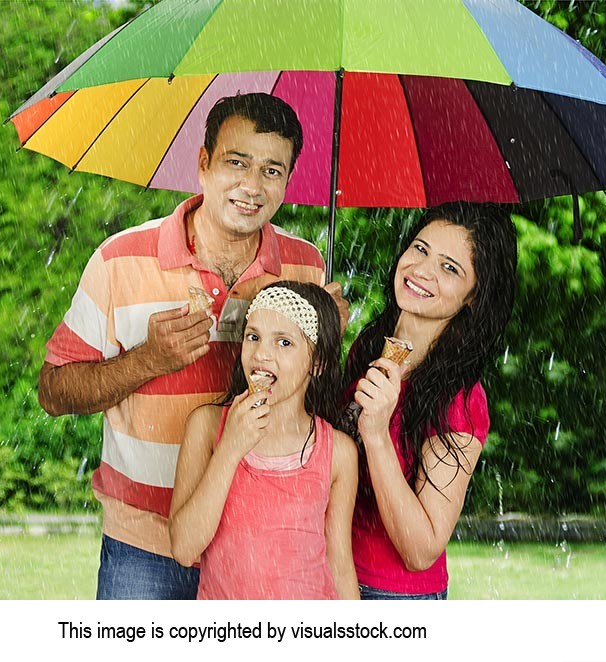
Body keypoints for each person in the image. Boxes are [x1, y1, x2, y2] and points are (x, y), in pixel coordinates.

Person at [38, 92, 349, 600]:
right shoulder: (119, 259)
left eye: (273, 171)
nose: (252, 186)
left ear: (288, 181)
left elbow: (316, 403)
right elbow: (53, 392)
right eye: (237, 163)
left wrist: (330, 339)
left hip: (259, 549)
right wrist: (147, 360)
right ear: (203, 164)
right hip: (147, 544)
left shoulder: (305, 265)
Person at [341, 202, 517, 600]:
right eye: (420, 249)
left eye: (449, 268)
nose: (422, 270)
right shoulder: (367, 347)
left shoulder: (461, 400)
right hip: (328, 574)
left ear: (475, 296)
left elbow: (421, 549)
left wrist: (377, 435)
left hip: (390, 596)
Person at [170, 281, 359, 599]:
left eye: (284, 342)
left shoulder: (338, 452)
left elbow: (339, 564)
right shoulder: (206, 426)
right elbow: (185, 548)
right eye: (253, 336)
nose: (261, 354)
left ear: (318, 363)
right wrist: (230, 448)